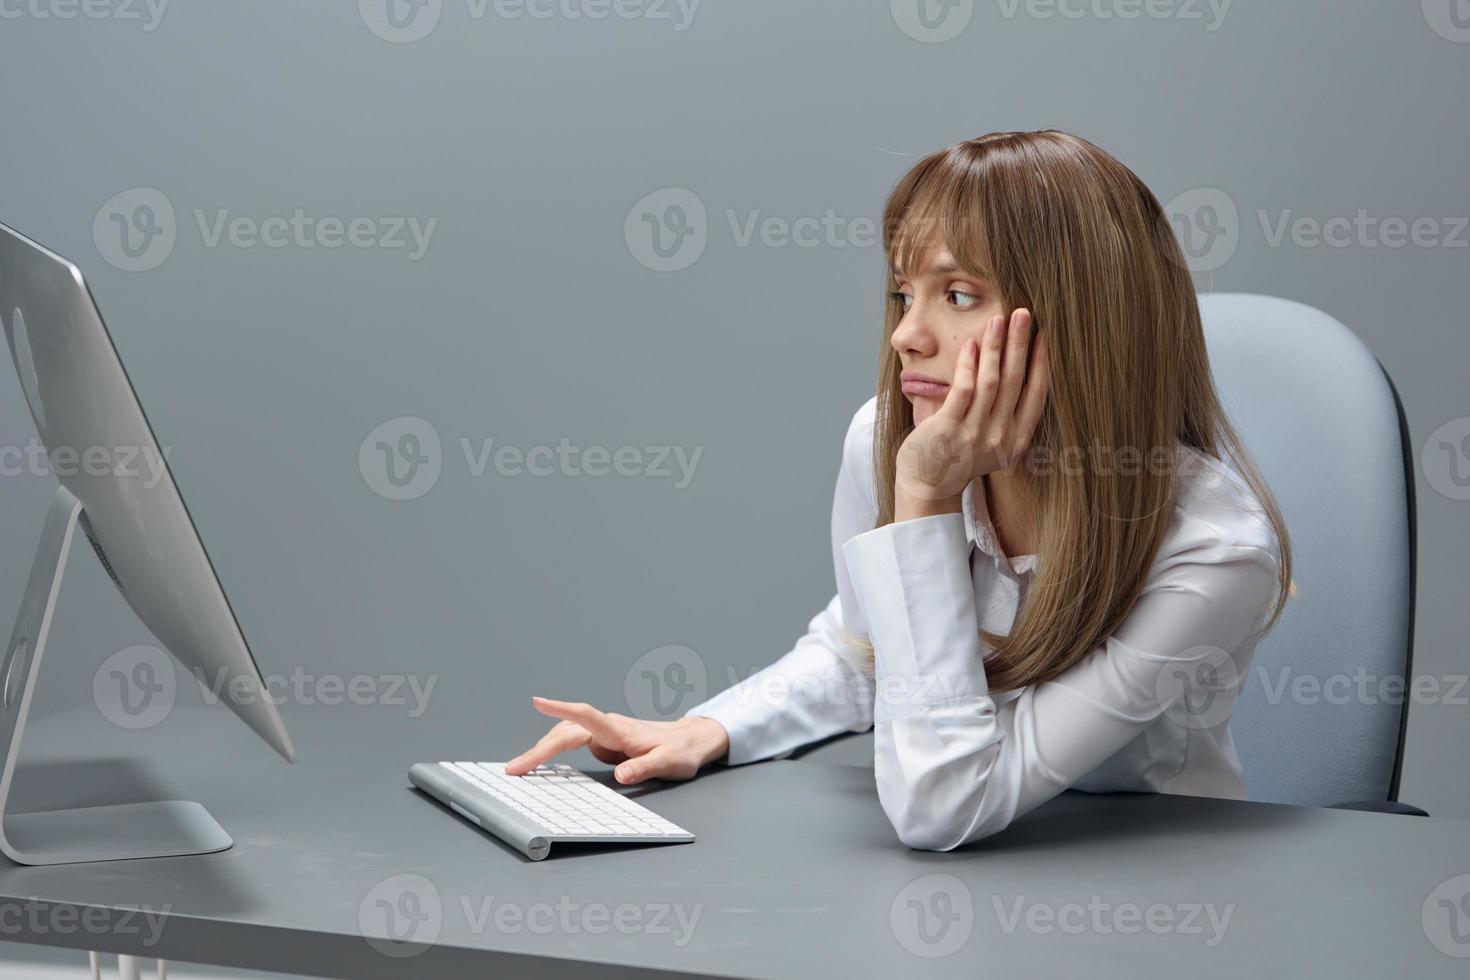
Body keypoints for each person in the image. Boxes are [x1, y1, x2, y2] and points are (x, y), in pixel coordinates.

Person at [507, 130, 1294, 851]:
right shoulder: (885, 440)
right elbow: (868, 653)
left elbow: (944, 803)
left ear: (1086, 322)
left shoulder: (1214, 548)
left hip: (1154, 875)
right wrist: (710, 727)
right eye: (902, 293)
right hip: (960, 870)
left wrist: (921, 500)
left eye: (957, 296)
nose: (906, 335)